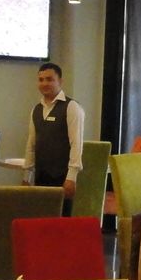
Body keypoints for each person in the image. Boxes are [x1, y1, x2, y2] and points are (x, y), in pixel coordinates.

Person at [23, 59, 83, 198]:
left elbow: (76, 144)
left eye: (49, 79)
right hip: (40, 176)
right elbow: (31, 144)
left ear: (60, 81)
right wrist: (27, 175)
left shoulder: (71, 107)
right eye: (41, 80)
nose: (44, 83)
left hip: (62, 177)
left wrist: (71, 177)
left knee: (62, 212)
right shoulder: (36, 109)